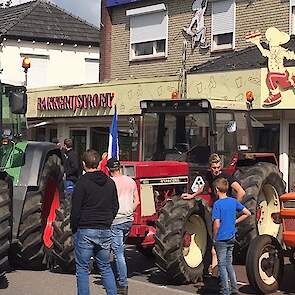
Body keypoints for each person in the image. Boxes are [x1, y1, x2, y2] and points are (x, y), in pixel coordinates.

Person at [181, 153, 245, 275]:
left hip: (225, 213)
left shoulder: (226, 177)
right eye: (214, 168)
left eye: (218, 167)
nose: (216, 170)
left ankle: (219, 271)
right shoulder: (209, 176)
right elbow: (203, 187)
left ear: (220, 166)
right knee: (215, 242)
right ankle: (217, 271)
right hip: (216, 211)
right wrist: (192, 195)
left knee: (219, 245)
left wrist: (233, 208)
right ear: (210, 167)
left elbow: (241, 192)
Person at [70, 149, 119, 295]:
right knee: (105, 266)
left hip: (86, 229)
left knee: (83, 269)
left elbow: (76, 209)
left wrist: (74, 228)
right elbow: (115, 206)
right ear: (98, 163)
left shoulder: (82, 183)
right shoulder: (110, 183)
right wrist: (107, 220)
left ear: (84, 164)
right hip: (104, 228)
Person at [106, 158, 140, 295]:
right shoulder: (131, 181)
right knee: (118, 249)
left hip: (116, 221)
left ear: (108, 170)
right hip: (128, 220)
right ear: (120, 168)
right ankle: (118, 277)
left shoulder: (110, 183)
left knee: (118, 253)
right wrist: (129, 211)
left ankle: (122, 284)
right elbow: (137, 201)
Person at [212, 178, 251, 295]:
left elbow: (217, 224)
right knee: (229, 263)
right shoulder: (233, 201)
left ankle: (225, 290)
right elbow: (247, 213)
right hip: (231, 237)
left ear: (216, 189)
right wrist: (235, 221)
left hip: (221, 239)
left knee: (222, 265)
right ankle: (234, 288)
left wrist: (214, 238)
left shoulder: (217, 204)